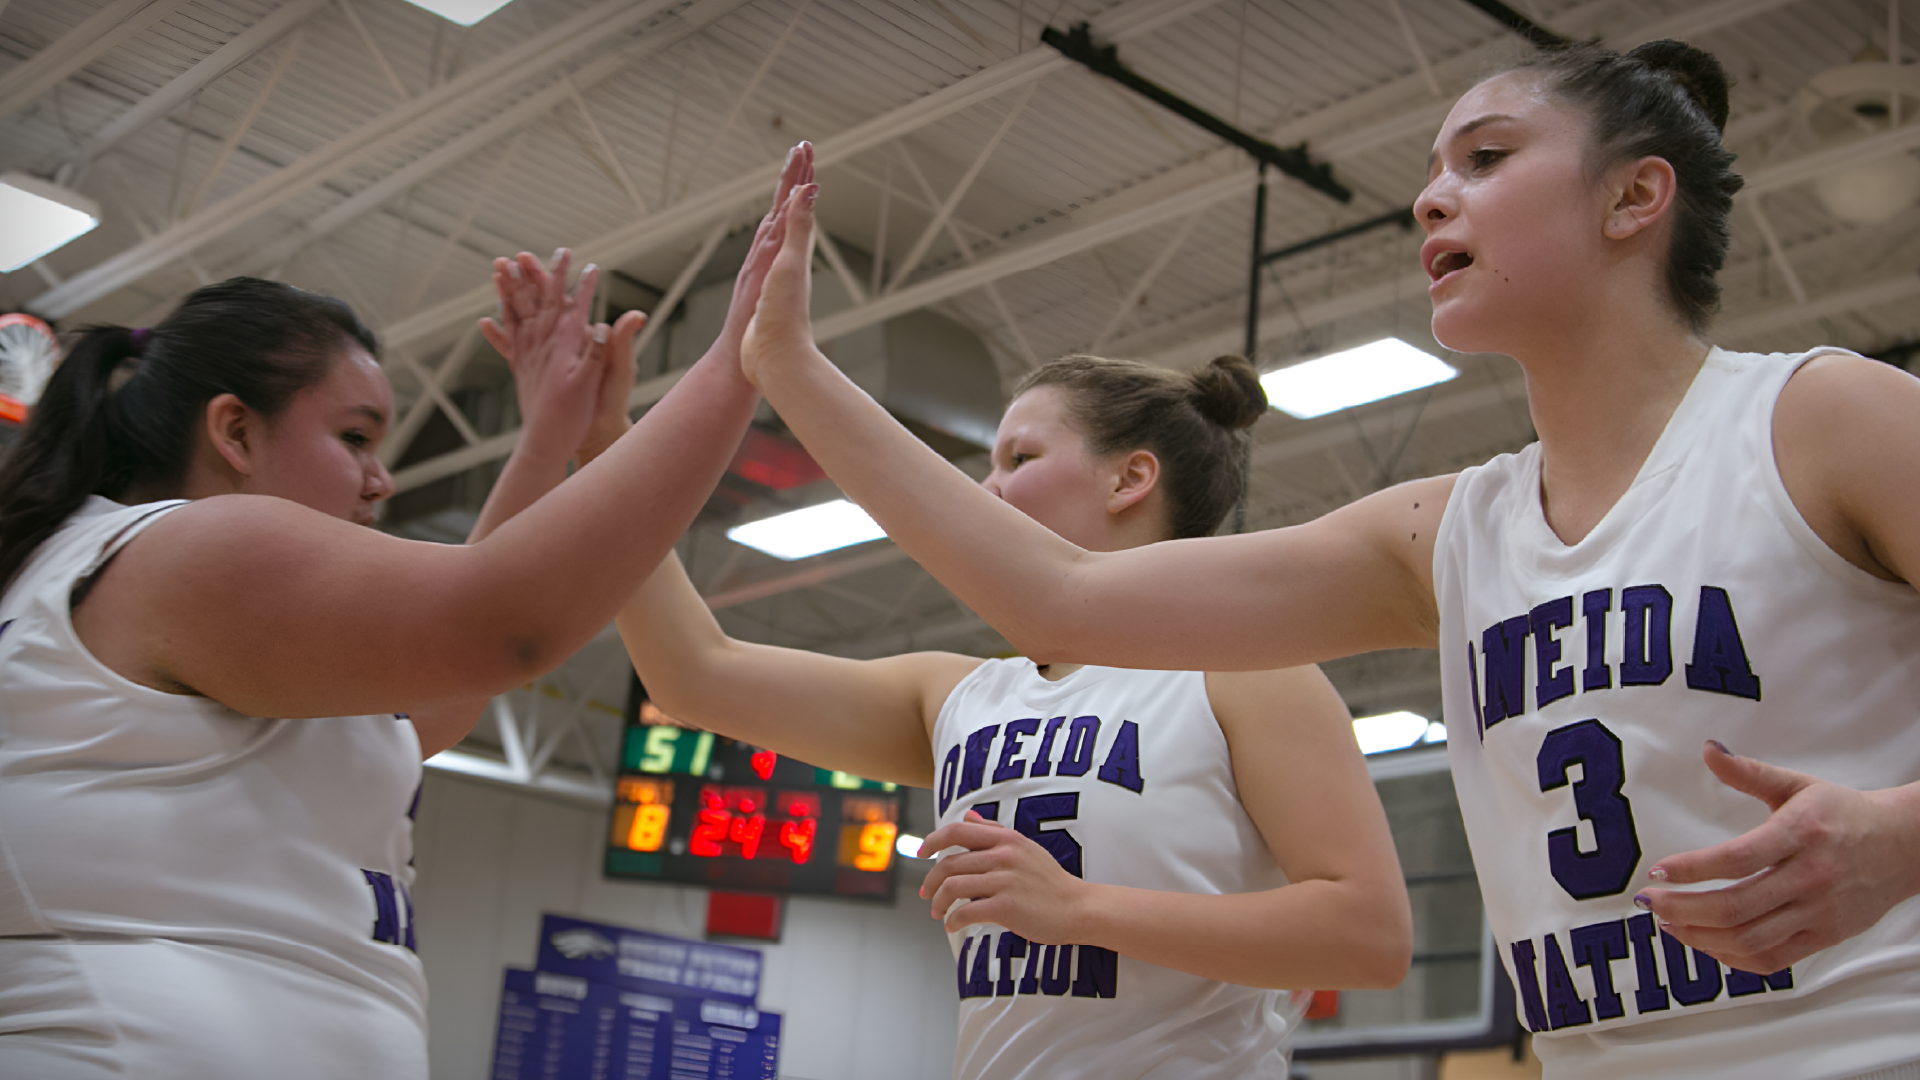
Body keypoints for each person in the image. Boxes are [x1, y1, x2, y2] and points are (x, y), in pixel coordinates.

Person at [732, 41, 1920, 1080]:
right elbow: (1064, 598)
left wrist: (1901, 837)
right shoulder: (1445, 531)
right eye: (1435, 170)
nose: (1430, 200)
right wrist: (792, 368)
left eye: (1485, 159)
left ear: (1633, 197)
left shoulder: (1824, 421)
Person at [0, 145, 814, 1079]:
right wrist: (738, 364)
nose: (381, 479)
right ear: (233, 431)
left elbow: (439, 693)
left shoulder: (135, 577)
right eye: (354, 438)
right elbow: (499, 626)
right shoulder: (190, 549)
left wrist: (550, 433)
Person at [547, 337, 1410, 1079]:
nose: (987, 490)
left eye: (1019, 459)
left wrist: (1080, 909)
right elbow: (694, 675)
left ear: (1130, 478)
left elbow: (1369, 933)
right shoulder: (958, 693)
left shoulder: (1248, 670)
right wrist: (603, 444)